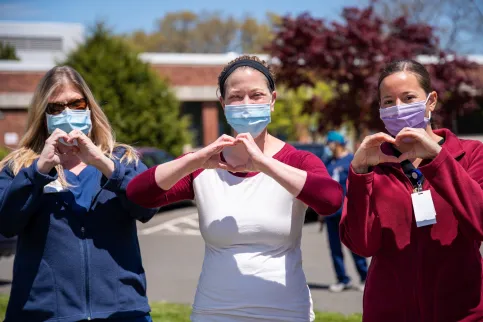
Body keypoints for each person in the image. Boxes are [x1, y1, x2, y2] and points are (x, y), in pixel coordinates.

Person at [126, 55, 344, 322]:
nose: (246, 104)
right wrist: (194, 160)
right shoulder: (204, 165)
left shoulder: (298, 161)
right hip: (214, 311)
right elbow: (139, 194)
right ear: (223, 103)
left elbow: (331, 200)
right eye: (236, 97)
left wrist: (264, 164)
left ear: (272, 101)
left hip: (285, 311)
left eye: (256, 95)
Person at [0, 66, 157, 322]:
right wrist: (39, 170)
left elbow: (147, 208)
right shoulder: (19, 167)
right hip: (42, 314)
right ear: (43, 115)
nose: (67, 112)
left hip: (122, 313)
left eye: (76, 103)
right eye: (56, 107)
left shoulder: (123, 159)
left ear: (89, 108)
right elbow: (6, 224)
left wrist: (103, 163)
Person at [340, 59, 483, 321]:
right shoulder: (373, 163)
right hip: (387, 313)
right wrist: (360, 173)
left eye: (408, 98)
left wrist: (438, 160)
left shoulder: (472, 155)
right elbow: (362, 245)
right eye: (388, 102)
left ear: (431, 101)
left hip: (462, 313)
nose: (398, 109)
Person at [324, 131, 367, 292]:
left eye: (331, 143)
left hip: (348, 213)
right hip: (331, 214)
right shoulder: (328, 162)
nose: (328, 146)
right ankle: (343, 279)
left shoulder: (351, 161)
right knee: (334, 248)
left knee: (355, 246)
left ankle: (365, 277)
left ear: (339, 144)